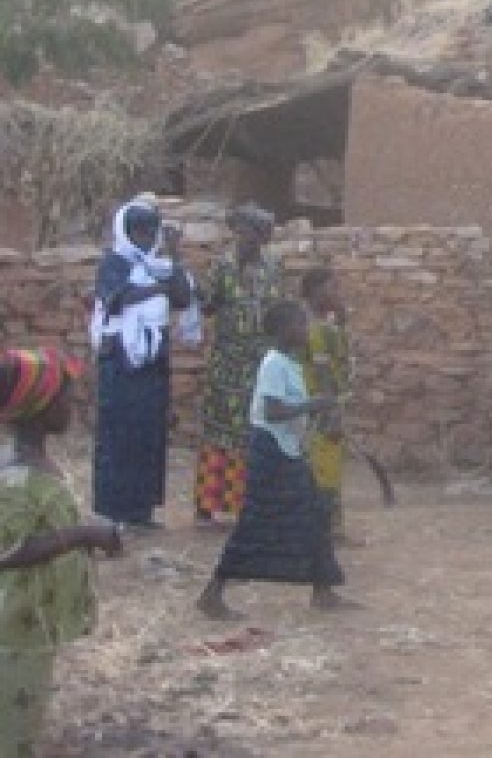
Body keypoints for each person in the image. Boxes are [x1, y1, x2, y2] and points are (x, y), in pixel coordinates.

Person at [3, 348, 124, 756]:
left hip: (31, 620)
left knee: (25, 711)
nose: (73, 404)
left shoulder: (29, 463)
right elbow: (8, 551)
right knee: (14, 722)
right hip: (14, 626)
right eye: (65, 397)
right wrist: (82, 535)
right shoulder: (20, 477)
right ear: (38, 407)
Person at [197, 300, 349, 619]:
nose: (306, 330)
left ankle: (323, 588)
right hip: (270, 451)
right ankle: (214, 592)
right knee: (256, 522)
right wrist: (313, 405)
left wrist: (314, 410)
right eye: (301, 324)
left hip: (284, 448)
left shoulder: (288, 362)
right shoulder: (274, 364)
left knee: (315, 512)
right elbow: (273, 411)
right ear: (284, 330)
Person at [91, 200, 194, 530]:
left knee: (149, 435)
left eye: (152, 231)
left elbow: (182, 297)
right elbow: (117, 298)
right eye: (139, 231)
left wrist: (175, 257)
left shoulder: (160, 265)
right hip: (121, 363)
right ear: (126, 231)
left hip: (153, 364)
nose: (147, 238)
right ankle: (114, 510)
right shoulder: (114, 262)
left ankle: (142, 510)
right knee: (119, 434)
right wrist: (157, 287)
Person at [196, 205, 284, 527]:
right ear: (238, 231)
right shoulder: (222, 267)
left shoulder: (274, 267)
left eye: (261, 234)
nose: (255, 239)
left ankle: (245, 503)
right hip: (227, 364)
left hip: (260, 362)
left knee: (253, 432)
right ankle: (209, 502)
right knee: (220, 433)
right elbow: (208, 306)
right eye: (251, 232)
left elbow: (278, 311)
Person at [298, 268, 351, 542]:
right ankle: (324, 529)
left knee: (325, 465)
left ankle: (326, 527)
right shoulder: (314, 327)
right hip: (319, 404)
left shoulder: (321, 322)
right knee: (323, 467)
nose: (337, 294)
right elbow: (322, 370)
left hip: (319, 402)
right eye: (332, 288)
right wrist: (332, 410)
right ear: (315, 291)